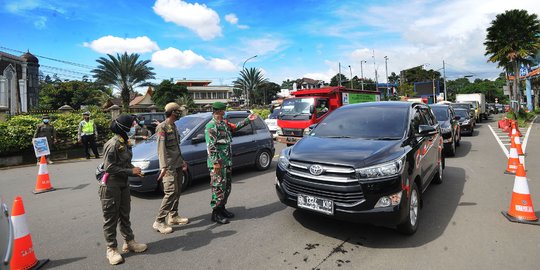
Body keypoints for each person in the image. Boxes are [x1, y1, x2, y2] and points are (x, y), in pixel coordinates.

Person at [100, 114, 147, 265]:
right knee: (111, 218)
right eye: (132, 124)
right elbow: (109, 167)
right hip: (111, 185)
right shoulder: (112, 144)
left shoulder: (125, 142)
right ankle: (111, 249)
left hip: (123, 184)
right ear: (124, 127)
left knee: (125, 214)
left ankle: (129, 242)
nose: (135, 127)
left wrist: (135, 169)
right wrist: (130, 172)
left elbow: (125, 163)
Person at [204, 102, 257, 224]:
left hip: (226, 162)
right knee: (218, 187)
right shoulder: (211, 126)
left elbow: (235, 127)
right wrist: (216, 163)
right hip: (218, 164)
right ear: (219, 111)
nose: (225, 112)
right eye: (223, 110)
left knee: (226, 187)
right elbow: (210, 147)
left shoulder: (224, 123)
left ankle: (222, 208)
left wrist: (248, 120)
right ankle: (216, 213)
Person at [153, 102, 189, 234]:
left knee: (177, 190)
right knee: (170, 192)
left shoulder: (173, 126)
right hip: (168, 166)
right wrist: (163, 166)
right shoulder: (162, 127)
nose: (180, 113)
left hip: (177, 163)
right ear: (173, 113)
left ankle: (173, 216)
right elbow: (161, 149)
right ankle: (159, 221)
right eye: (178, 111)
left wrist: (182, 161)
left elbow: (175, 147)